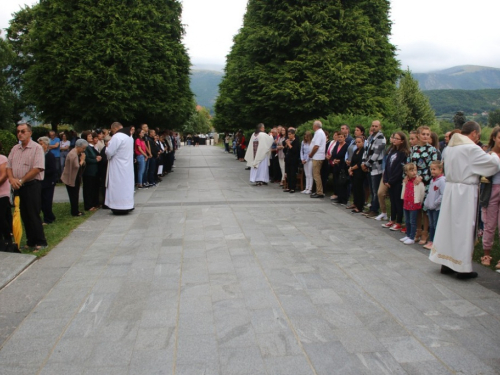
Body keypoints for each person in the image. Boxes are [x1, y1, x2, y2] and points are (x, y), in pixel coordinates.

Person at [429, 121, 500, 279]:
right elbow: (492, 165)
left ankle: (446, 263)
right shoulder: (471, 148)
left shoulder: (450, 148)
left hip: (451, 189)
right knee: (464, 228)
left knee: (449, 227)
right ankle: (462, 268)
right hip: (465, 192)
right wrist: (494, 153)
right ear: (474, 133)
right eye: (478, 135)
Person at [7, 122, 47, 251]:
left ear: (30, 133)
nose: (20, 134)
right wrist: (12, 179)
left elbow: (37, 168)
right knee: (23, 214)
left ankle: (41, 241)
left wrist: (22, 180)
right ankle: (30, 241)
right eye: (18, 131)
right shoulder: (15, 149)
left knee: (33, 213)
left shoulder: (36, 148)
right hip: (18, 186)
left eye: (23, 131)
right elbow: (9, 166)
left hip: (31, 185)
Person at [408, 126, 438, 245]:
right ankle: (417, 231)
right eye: (423, 134)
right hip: (413, 181)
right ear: (419, 135)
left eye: (428, 134)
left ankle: (426, 232)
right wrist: (408, 175)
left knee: (425, 209)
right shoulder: (413, 149)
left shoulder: (432, 150)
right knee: (416, 207)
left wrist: (422, 177)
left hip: (425, 182)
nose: (425, 136)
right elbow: (409, 163)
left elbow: (433, 167)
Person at [382, 132, 410, 231]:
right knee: (392, 201)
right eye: (393, 138)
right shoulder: (392, 151)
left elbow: (399, 169)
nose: (394, 140)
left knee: (398, 202)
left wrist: (391, 181)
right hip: (389, 180)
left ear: (402, 141)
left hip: (397, 181)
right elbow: (387, 166)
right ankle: (392, 219)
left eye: (397, 139)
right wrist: (385, 179)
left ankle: (399, 221)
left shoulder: (403, 153)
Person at [480, 126, 500, 269]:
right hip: (491, 191)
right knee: (489, 224)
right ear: (494, 138)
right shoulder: (488, 154)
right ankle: (486, 253)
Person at [105, 122, 135, 214]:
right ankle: (128, 205)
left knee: (117, 185)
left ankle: (118, 206)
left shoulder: (117, 137)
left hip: (117, 166)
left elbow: (109, 152)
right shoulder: (129, 137)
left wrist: (107, 147)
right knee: (126, 186)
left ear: (114, 128)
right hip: (127, 166)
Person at [362, 120, 386, 217]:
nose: (374, 127)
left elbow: (376, 153)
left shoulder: (380, 138)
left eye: (376, 126)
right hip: (369, 167)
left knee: (375, 190)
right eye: (372, 126)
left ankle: (375, 209)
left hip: (376, 167)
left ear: (380, 127)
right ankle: (372, 207)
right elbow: (366, 150)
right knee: (372, 189)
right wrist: (363, 162)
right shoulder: (370, 137)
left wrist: (367, 164)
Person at [400, 163, 425, 245]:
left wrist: (419, 201)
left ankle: (412, 237)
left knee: (412, 221)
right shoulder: (406, 180)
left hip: (414, 204)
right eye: (411, 171)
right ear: (407, 172)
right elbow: (404, 189)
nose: (414, 172)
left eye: (415, 170)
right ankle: (408, 235)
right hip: (406, 202)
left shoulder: (417, 181)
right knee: (407, 220)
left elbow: (422, 192)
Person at [422, 161, 445, 250]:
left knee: (436, 224)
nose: (432, 171)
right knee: (431, 224)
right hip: (430, 207)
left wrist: (435, 203)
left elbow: (443, 195)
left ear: (440, 170)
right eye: (431, 169)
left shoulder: (442, 181)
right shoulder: (432, 180)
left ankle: (436, 242)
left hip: (436, 208)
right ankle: (431, 240)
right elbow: (430, 193)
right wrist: (427, 203)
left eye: (434, 169)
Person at [61, 139, 87, 216]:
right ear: (78, 147)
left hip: (75, 177)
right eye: (83, 148)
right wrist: (82, 160)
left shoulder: (76, 153)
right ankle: (75, 211)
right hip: (71, 178)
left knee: (75, 194)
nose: (83, 150)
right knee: (73, 195)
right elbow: (76, 166)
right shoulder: (73, 154)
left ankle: (75, 210)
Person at [37, 137, 58, 225]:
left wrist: (42, 171)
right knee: (41, 201)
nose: (40, 146)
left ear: (46, 145)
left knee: (47, 200)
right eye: (39, 144)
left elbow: (53, 169)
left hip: (48, 181)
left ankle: (48, 218)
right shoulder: (39, 155)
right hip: (41, 181)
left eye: (41, 144)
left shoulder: (50, 155)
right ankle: (49, 216)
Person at [0, 141, 15, 252]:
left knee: (1, 217)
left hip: (2, 193)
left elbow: (4, 175)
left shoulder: (2, 158)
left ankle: (7, 238)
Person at [81, 131, 101, 211]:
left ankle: (93, 203)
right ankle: (88, 205)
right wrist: (96, 160)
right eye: (89, 136)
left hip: (94, 171)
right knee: (88, 189)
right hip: (89, 171)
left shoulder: (91, 147)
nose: (91, 137)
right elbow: (86, 159)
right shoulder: (85, 147)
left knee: (93, 188)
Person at [348, 136, 366, 213]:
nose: (357, 144)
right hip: (353, 172)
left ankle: (360, 206)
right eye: (356, 142)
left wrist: (352, 168)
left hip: (359, 172)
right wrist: (350, 169)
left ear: (363, 142)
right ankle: (355, 203)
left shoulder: (363, 151)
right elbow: (352, 161)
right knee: (354, 188)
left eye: (359, 142)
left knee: (359, 189)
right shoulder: (356, 151)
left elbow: (360, 163)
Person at [309, 120, 326, 198]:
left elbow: (316, 146)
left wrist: (311, 154)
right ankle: (317, 190)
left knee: (316, 174)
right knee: (316, 174)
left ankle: (319, 192)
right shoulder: (319, 133)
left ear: (315, 126)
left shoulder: (319, 133)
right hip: (317, 156)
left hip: (317, 156)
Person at [330, 133, 349, 204]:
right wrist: (334, 159)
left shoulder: (346, 146)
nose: (340, 138)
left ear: (344, 138)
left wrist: (340, 160)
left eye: (341, 137)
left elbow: (346, 156)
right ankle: (338, 197)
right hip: (336, 166)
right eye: (339, 137)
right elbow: (333, 154)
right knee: (336, 181)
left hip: (342, 166)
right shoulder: (337, 145)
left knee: (342, 182)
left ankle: (344, 199)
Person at [282, 128, 301, 193]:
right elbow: (284, 151)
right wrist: (286, 145)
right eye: (288, 134)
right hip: (288, 160)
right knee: (288, 174)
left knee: (293, 174)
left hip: (293, 161)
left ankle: (293, 187)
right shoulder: (288, 141)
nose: (289, 136)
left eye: (290, 134)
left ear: (293, 135)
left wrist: (289, 144)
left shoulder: (296, 142)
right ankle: (288, 187)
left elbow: (295, 150)